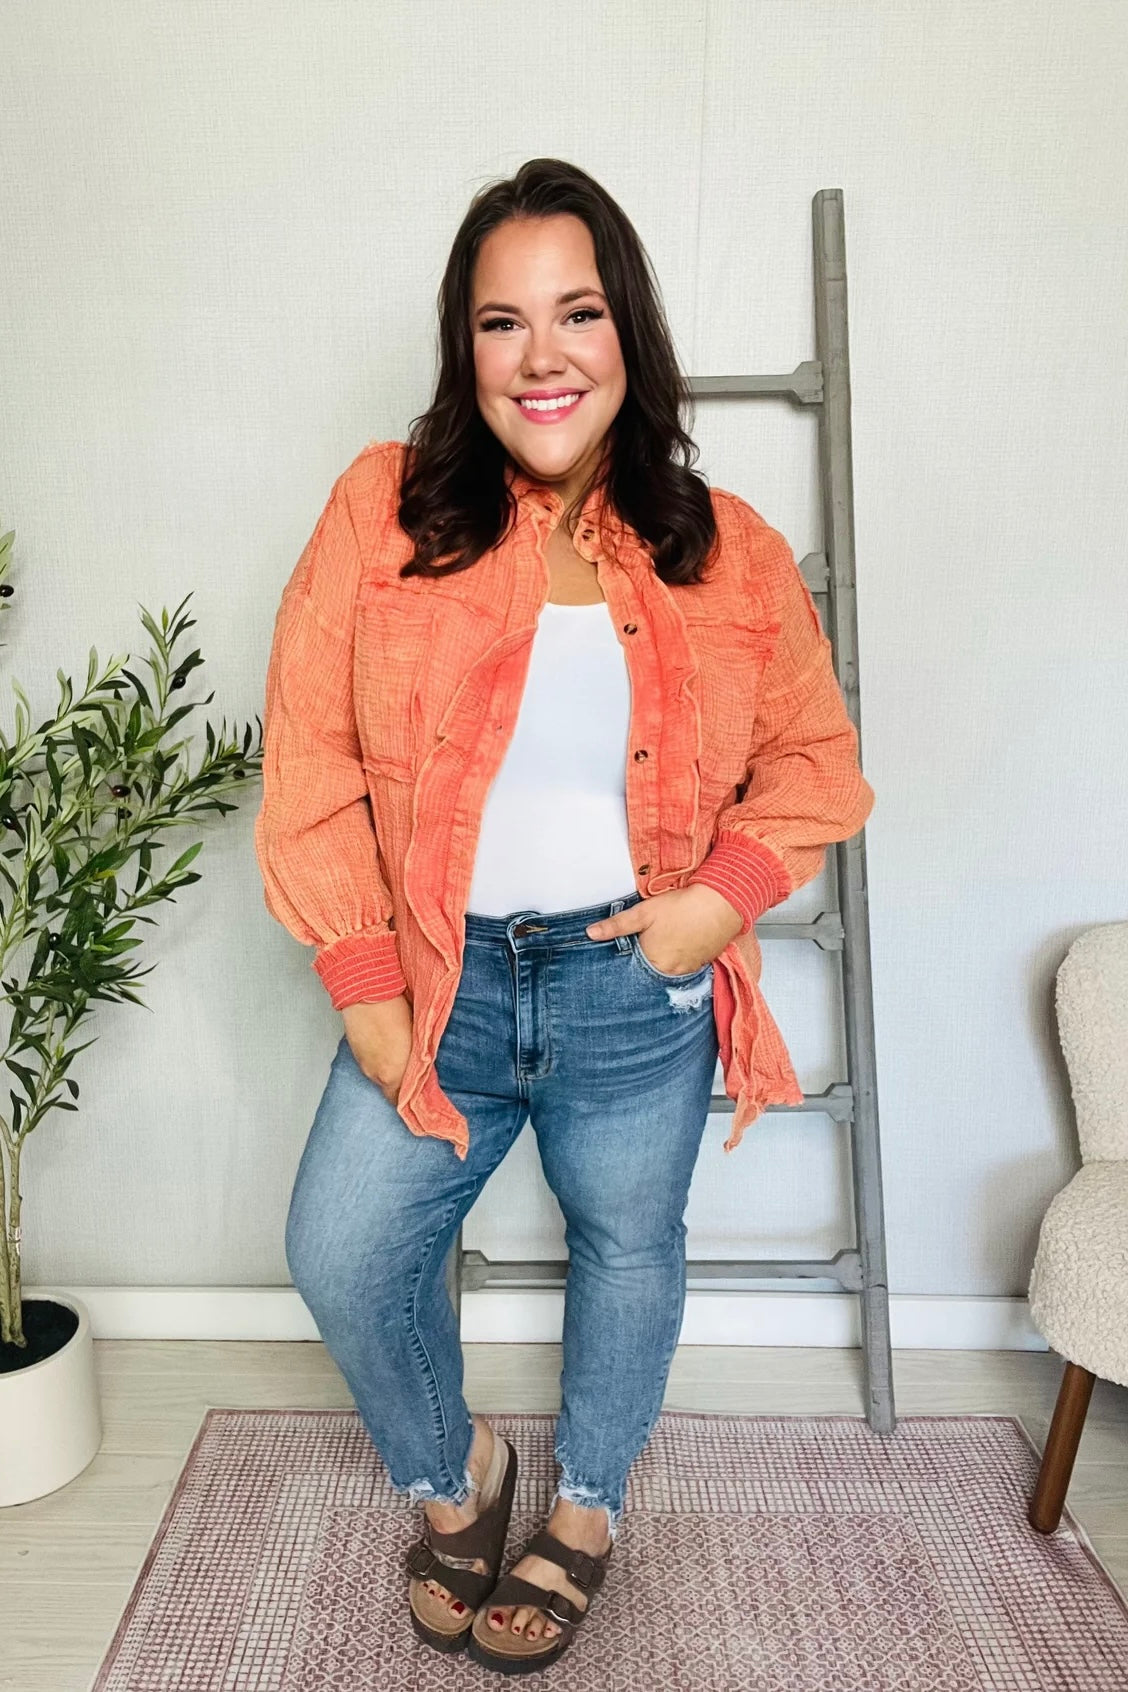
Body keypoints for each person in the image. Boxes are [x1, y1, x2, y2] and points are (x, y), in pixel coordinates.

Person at [254, 157, 875, 1674]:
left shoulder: (725, 548)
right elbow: (310, 755)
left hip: (629, 983)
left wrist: (711, 909)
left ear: (627, 331)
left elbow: (816, 763)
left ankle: (587, 1507)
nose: (543, 356)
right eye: (502, 321)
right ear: (463, 348)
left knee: (628, 1246)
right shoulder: (383, 510)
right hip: (435, 981)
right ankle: (456, 1472)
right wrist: (364, 983)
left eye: (577, 312)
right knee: (343, 1249)